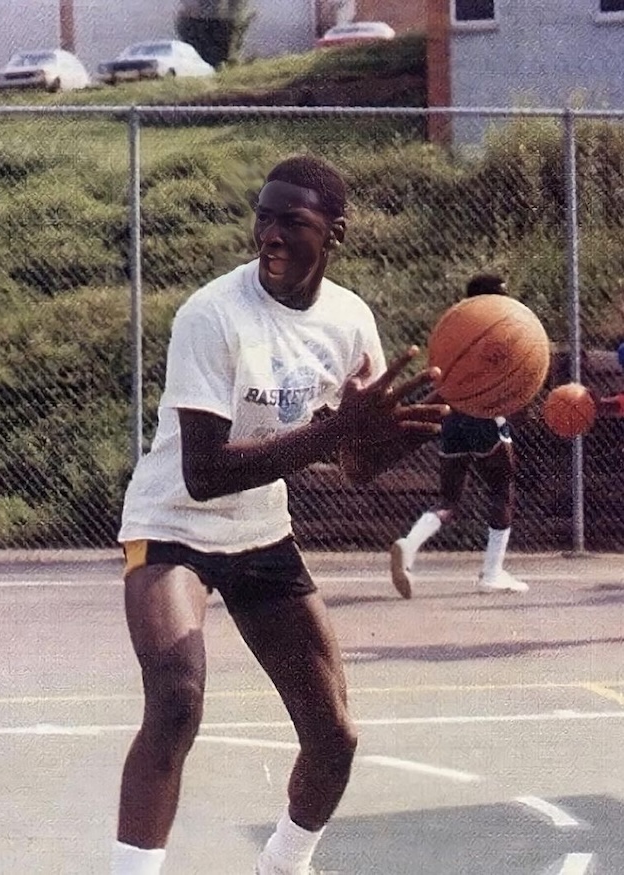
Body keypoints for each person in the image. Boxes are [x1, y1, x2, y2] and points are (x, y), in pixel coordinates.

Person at [111, 154, 449, 875]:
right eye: (262, 217)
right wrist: (334, 429)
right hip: (172, 523)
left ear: (335, 233)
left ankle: (285, 865)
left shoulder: (349, 321)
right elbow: (204, 474)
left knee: (335, 735)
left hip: (260, 532)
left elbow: (355, 465)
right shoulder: (213, 313)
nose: (269, 234)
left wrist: (391, 436)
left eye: (291, 222)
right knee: (177, 699)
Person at [390, 273, 530, 600]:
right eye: (502, 294)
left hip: (453, 419)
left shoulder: (454, 327)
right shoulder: (499, 330)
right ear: (490, 297)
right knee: (502, 490)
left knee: (449, 500)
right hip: (484, 416)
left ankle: (408, 546)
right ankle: (492, 574)